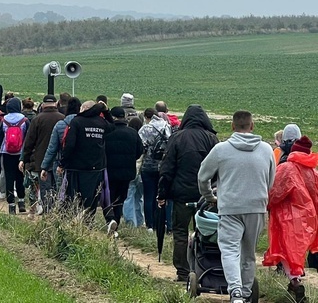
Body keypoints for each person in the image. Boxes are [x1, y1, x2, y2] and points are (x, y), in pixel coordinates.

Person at [198, 110, 275, 303]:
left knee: (230, 251)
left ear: (232, 126)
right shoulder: (266, 150)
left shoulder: (221, 150)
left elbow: (203, 176)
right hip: (256, 207)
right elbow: (271, 180)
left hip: (230, 207)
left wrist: (210, 196)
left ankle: (236, 292)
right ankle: (247, 292)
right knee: (248, 254)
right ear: (252, 125)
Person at [158, 104, 218, 282]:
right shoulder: (211, 139)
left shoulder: (177, 138)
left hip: (181, 195)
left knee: (180, 233)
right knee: (206, 234)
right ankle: (204, 269)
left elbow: (167, 169)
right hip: (206, 196)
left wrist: (162, 193)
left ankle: (183, 271)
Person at [263, 135, 318, 303]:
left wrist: (266, 204)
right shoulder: (312, 172)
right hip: (308, 219)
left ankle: (295, 283)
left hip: (287, 218)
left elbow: (276, 192)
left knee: (286, 251)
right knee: (297, 253)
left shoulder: (287, 168)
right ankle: (294, 283)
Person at [59, 100, 113, 217]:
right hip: (96, 167)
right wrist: (106, 111)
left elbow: (70, 145)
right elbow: (112, 126)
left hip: (76, 167)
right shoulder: (101, 123)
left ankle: (72, 219)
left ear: (83, 109)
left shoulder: (77, 122)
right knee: (91, 199)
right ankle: (87, 222)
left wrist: (62, 163)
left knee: (72, 196)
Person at [20, 94, 64, 214]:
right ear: (55, 104)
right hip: (59, 159)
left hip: (41, 159)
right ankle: (57, 211)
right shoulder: (62, 118)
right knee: (58, 187)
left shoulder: (37, 119)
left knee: (45, 187)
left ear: (43, 105)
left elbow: (29, 141)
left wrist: (25, 158)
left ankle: (47, 211)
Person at [104, 106, 144, 235]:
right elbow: (139, 152)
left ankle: (110, 221)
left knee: (108, 197)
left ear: (113, 117)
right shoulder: (133, 133)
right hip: (127, 172)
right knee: (121, 199)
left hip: (109, 171)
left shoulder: (107, 132)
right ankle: (116, 221)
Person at [0, 97, 29, 214]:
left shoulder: (4, 120)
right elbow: (28, 138)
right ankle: (21, 201)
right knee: (20, 177)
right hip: (20, 154)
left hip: (7, 153)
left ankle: (11, 205)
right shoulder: (24, 120)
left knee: (9, 178)